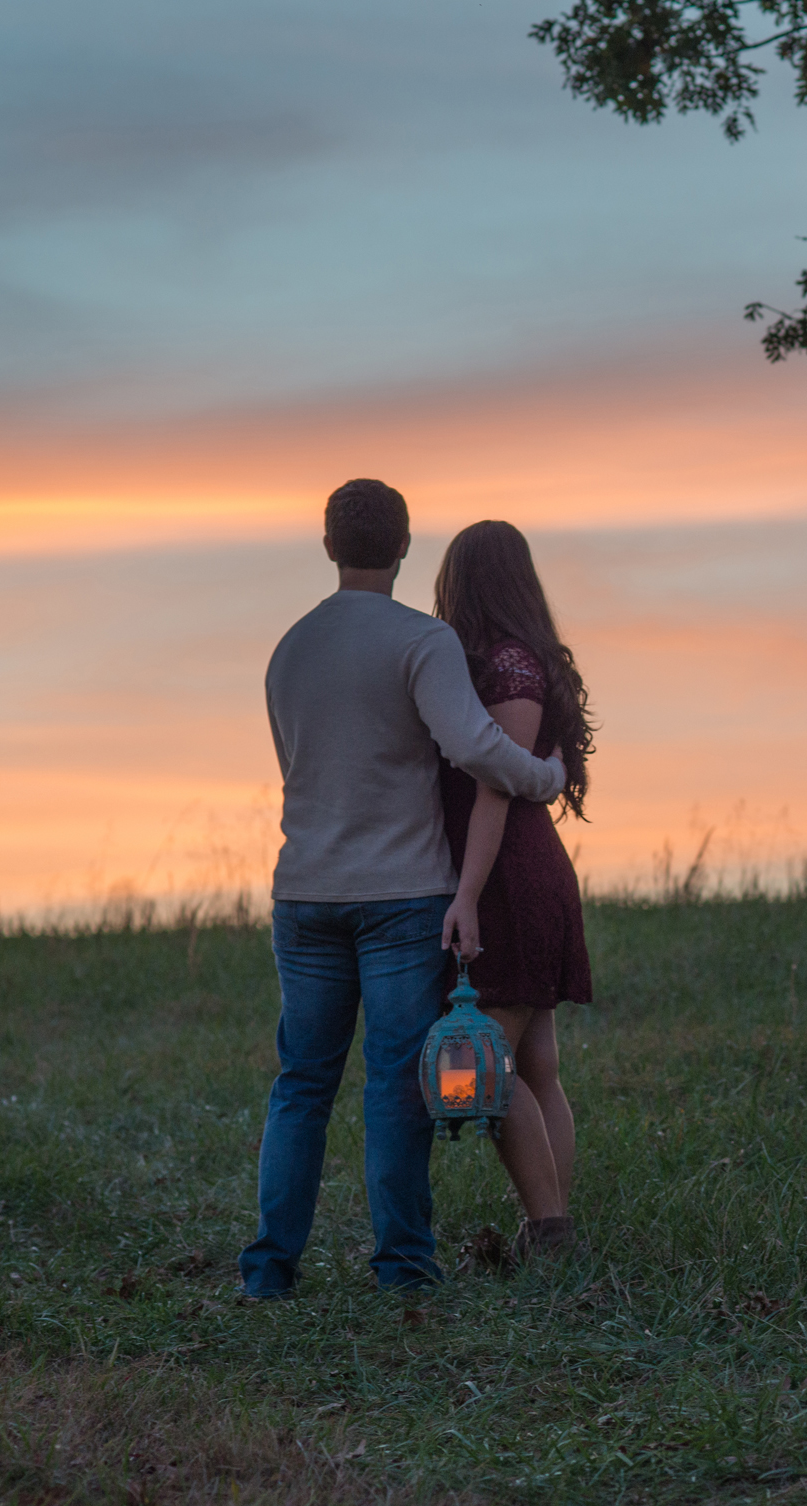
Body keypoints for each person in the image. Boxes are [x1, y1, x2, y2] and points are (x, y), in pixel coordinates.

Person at [239, 481, 567, 1300]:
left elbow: (296, 765)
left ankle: (270, 1272)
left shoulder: (289, 648)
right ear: (405, 545)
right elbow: (476, 748)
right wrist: (545, 774)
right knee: (394, 1083)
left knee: (301, 1084)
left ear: (327, 546)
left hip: (304, 892)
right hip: (401, 896)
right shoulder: (423, 642)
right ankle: (403, 1271)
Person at [432, 520, 595, 1260]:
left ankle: (550, 1232)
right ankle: (548, 1229)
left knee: (482, 1064)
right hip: (521, 875)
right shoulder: (522, 661)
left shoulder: (508, 668)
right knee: (533, 1065)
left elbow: (496, 790)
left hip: (509, 880)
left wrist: (466, 894)